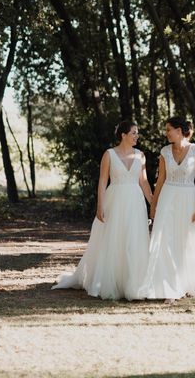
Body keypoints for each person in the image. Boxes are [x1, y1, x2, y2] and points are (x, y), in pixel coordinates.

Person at [52, 120, 153, 300]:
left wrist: (153, 203)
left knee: (134, 238)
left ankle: (133, 283)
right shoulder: (109, 154)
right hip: (115, 200)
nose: (137, 136)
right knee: (114, 238)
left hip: (136, 202)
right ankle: (110, 282)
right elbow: (102, 181)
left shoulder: (140, 155)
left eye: (137, 133)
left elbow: (143, 181)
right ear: (123, 135)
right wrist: (100, 205)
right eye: (134, 133)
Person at [145, 117, 195, 302]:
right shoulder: (164, 152)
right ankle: (168, 287)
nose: (166, 133)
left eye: (169, 130)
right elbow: (160, 181)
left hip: (187, 199)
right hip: (167, 197)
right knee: (165, 240)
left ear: (180, 131)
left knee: (185, 240)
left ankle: (187, 284)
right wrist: (153, 204)